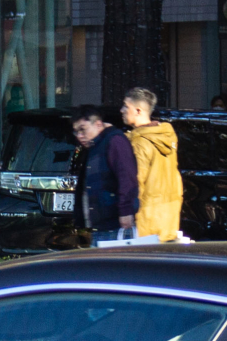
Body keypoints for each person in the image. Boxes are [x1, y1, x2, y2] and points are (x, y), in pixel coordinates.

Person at [121, 88, 183, 238]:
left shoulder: (140, 143)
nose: (121, 110)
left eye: (125, 106)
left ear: (138, 110)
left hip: (145, 222)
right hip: (167, 219)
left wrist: (126, 212)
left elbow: (135, 183)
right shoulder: (165, 137)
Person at [72, 105, 139, 243]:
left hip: (115, 225)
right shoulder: (95, 145)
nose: (79, 136)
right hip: (102, 226)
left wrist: (126, 211)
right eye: (76, 132)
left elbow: (127, 177)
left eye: (83, 129)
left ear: (98, 124)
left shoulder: (114, 141)